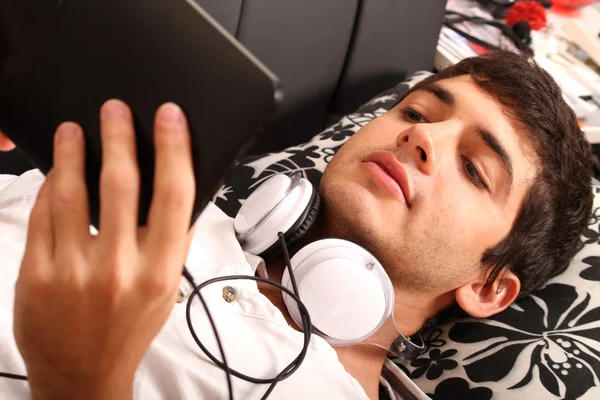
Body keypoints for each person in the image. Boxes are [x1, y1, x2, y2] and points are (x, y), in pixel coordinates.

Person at [0, 51, 593, 399]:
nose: (422, 136)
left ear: (490, 285)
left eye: (473, 168)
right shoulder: (173, 204)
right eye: (415, 111)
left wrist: (76, 384)